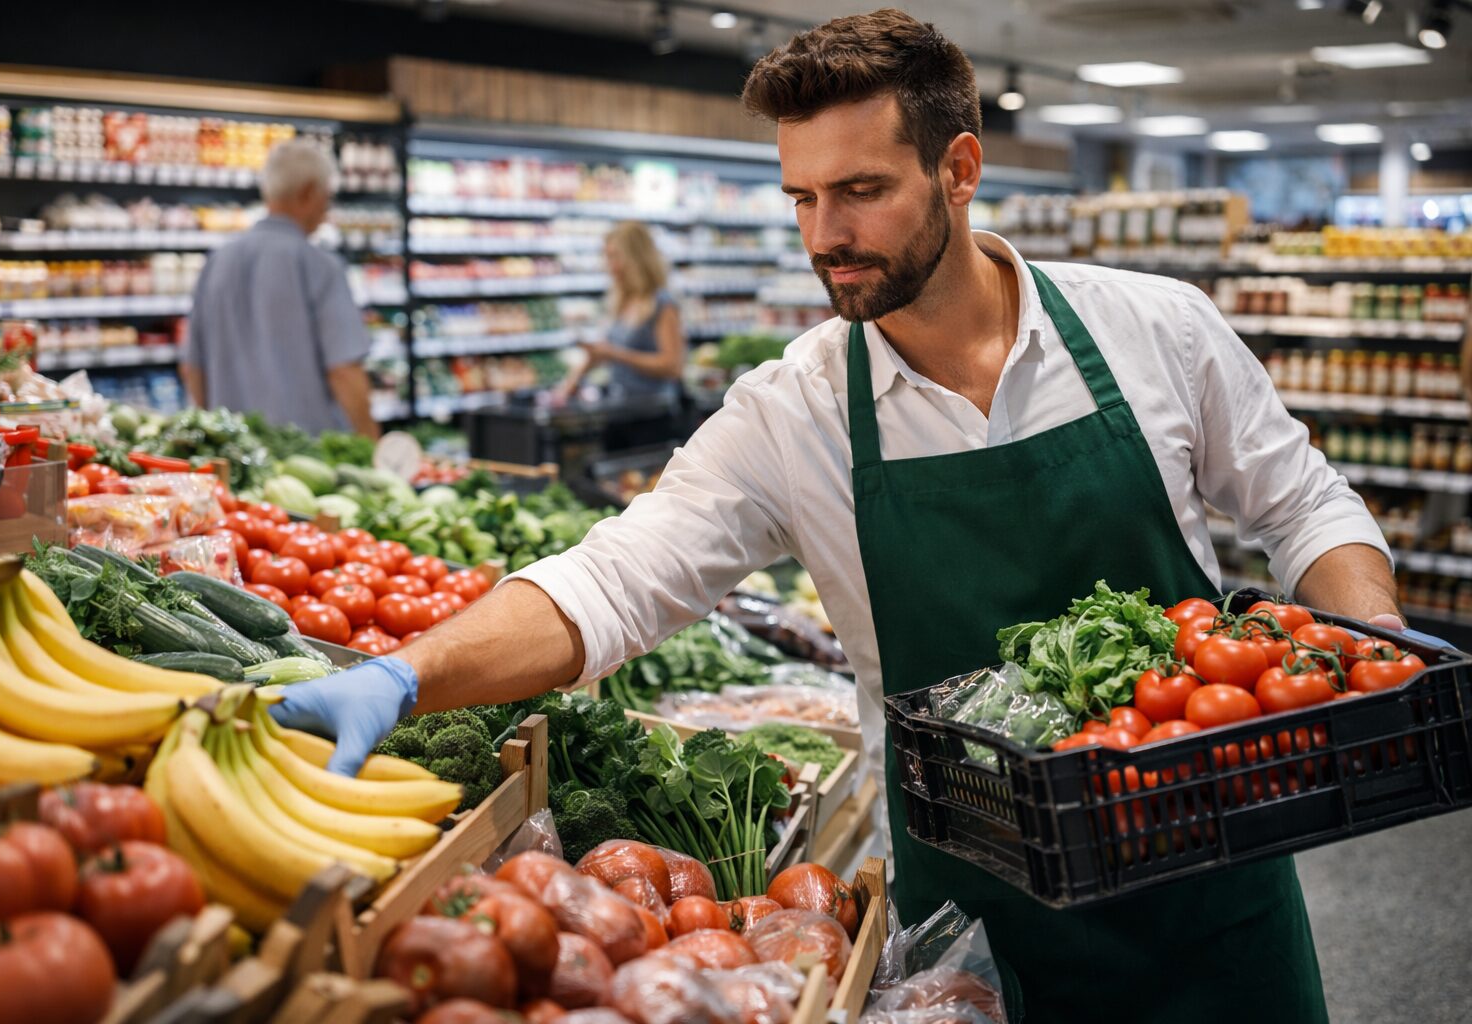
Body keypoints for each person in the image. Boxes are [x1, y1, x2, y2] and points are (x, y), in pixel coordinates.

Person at [272, 10, 1432, 1021]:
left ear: (959, 169)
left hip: (1209, 888)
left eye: (862, 191)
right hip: (975, 929)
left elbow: (1305, 503)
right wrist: (407, 674)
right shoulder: (797, 411)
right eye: (803, 197)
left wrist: (1369, 649)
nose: (824, 235)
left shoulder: (1156, 329)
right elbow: (616, 578)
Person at [180, 138, 380, 439]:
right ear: (308, 192)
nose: (327, 209)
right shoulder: (319, 266)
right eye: (327, 197)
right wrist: (371, 444)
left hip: (234, 448)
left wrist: (216, 436)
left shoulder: (216, 262)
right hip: (306, 454)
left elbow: (192, 367)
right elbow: (344, 371)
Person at [558, 220, 685, 403]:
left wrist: (616, 354)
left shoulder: (662, 303)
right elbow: (606, 351)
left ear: (636, 259)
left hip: (655, 407)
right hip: (623, 403)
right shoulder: (622, 300)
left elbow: (673, 366)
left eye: (615, 257)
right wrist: (569, 384)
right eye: (607, 257)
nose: (609, 266)